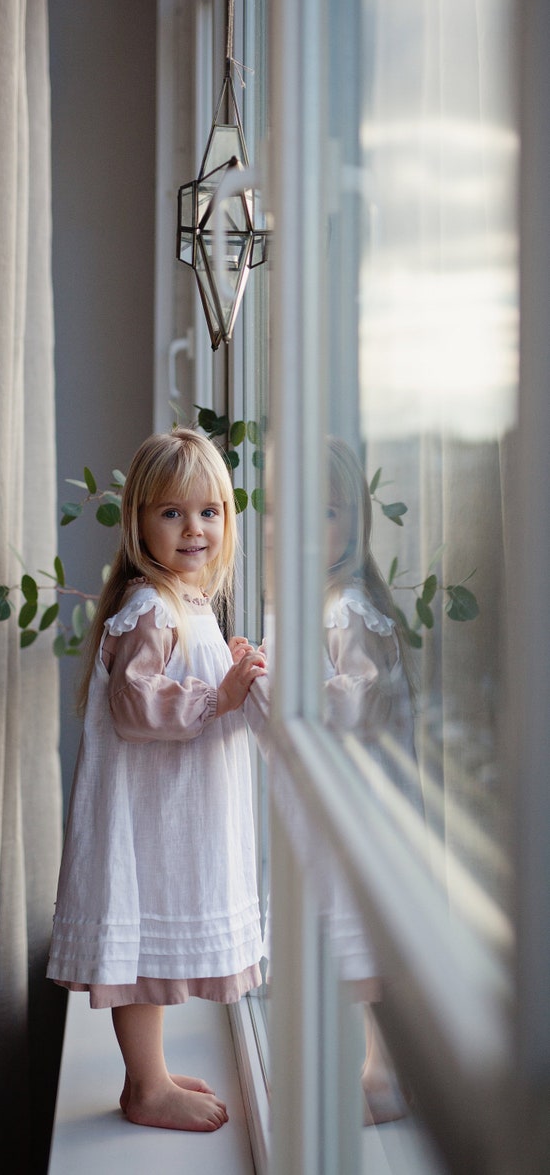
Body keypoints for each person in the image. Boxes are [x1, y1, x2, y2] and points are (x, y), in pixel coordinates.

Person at [46, 427, 267, 1133]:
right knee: (142, 945)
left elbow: (177, 675)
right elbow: (137, 701)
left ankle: (153, 1072)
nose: (193, 527)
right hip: (146, 818)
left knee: (156, 943)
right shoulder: (149, 607)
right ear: (139, 521)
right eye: (171, 512)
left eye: (209, 511)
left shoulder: (187, 603)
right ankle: (144, 1086)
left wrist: (225, 667)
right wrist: (219, 697)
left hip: (165, 810)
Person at [324, 435, 420, 1125]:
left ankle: (384, 1075)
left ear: (353, 521)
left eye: (325, 510)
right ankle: (373, 1066)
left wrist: (294, 687)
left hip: (368, 795)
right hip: (368, 789)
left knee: (365, 942)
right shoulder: (338, 597)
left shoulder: (346, 606)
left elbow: (353, 698)